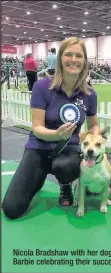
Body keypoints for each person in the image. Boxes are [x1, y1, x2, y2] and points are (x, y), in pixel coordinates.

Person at [2, 37, 100, 220]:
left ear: (84, 61)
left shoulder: (90, 94)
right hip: (39, 147)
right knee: (11, 208)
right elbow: (37, 127)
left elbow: (94, 125)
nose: (74, 59)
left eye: (79, 55)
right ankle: (37, 179)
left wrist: (95, 140)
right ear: (60, 58)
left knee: (67, 167)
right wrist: (56, 134)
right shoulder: (41, 86)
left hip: (68, 151)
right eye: (68, 54)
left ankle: (65, 184)